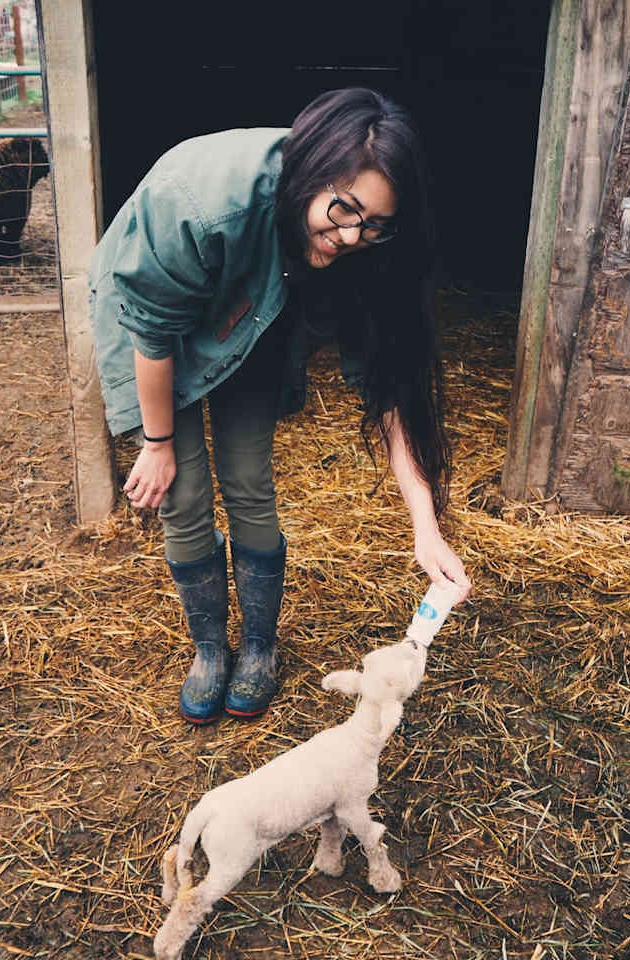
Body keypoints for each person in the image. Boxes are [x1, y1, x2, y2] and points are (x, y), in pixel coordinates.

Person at [88, 87, 472, 725]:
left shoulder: (363, 251)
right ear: (310, 175)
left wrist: (425, 527)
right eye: (344, 210)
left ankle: (259, 647)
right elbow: (153, 334)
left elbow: (388, 389)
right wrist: (156, 444)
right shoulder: (201, 202)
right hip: (157, 334)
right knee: (181, 494)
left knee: (248, 480)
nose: (352, 235)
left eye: (375, 224)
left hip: (257, 317)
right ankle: (210, 651)